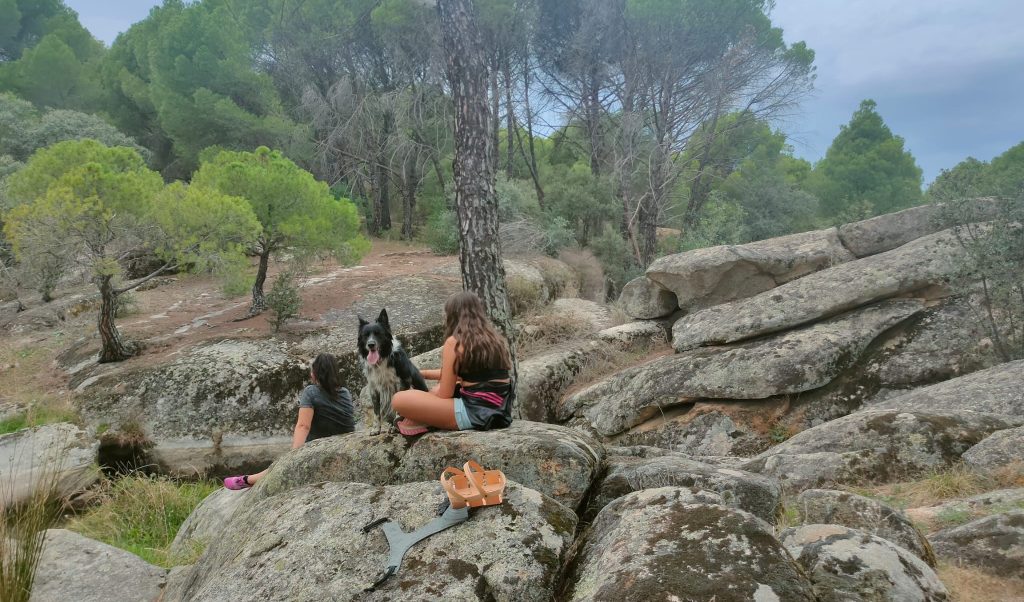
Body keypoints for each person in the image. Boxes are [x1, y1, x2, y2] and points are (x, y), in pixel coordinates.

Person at [223, 353, 354, 489]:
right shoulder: (345, 393)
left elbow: (303, 426)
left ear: (315, 373)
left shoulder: (311, 392)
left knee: (277, 467)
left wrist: (293, 456)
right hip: (342, 448)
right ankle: (247, 480)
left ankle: (246, 480)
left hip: (317, 451)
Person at [392, 291, 514, 435]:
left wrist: (427, 399)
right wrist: (422, 374)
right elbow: (469, 377)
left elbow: (445, 393)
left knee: (399, 399)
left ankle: (426, 420)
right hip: (499, 412)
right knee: (442, 388)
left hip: (473, 414)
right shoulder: (495, 340)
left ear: (452, 315)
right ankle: (423, 419)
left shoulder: (454, 342)